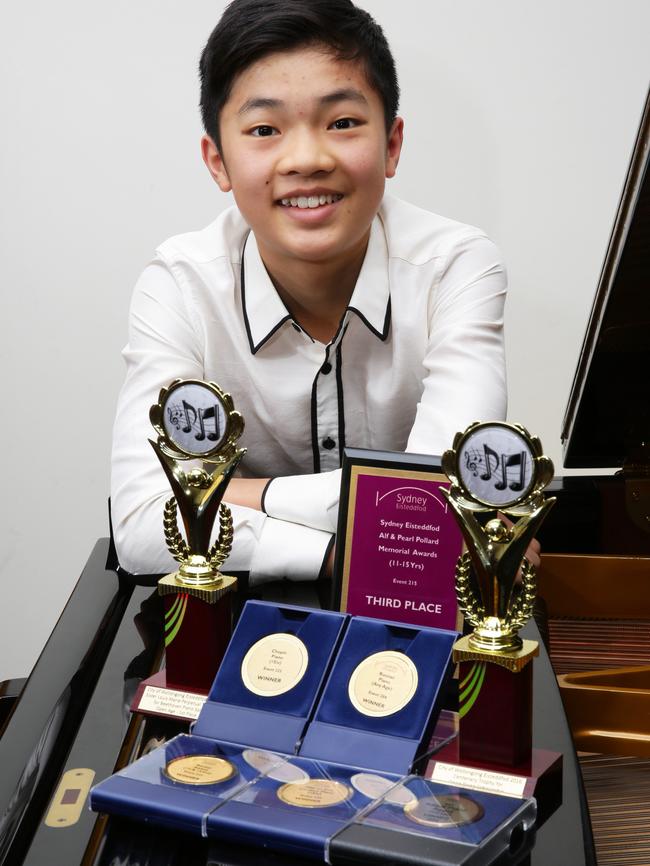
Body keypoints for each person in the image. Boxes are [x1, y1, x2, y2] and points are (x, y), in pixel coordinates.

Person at [111, 0, 509, 585]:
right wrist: (345, 554)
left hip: (417, 621)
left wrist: (241, 496)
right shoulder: (180, 284)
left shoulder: (457, 267)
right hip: (241, 620)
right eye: (265, 130)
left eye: (342, 122)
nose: (306, 159)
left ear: (392, 144)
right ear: (218, 161)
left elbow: (443, 505)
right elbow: (145, 524)